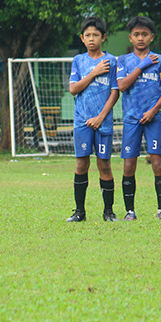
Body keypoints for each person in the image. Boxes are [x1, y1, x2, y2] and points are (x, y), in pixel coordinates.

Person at [116, 16, 161, 220]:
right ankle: (130, 211)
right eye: (137, 34)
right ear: (131, 38)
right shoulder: (123, 61)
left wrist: (153, 110)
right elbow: (122, 86)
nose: (141, 38)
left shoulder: (160, 60)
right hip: (132, 119)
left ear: (151, 37)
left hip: (154, 119)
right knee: (129, 163)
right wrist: (142, 66)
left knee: (158, 162)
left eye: (145, 34)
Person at [66, 17, 120, 222]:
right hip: (82, 121)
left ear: (103, 37)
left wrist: (100, 117)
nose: (91, 39)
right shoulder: (79, 61)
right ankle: (79, 212)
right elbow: (73, 89)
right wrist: (94, 72)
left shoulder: (112, 61)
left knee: (104, 165)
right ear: (82, 38)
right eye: (87, 35)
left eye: (95, 35)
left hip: (103, 122)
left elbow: (115, 92)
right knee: (81, 164)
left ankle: (109, 212)